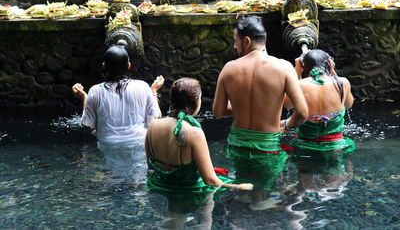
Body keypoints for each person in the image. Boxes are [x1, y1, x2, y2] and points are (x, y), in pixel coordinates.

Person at [212, 16, 308, 210]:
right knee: (264, 188)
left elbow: (218, 111)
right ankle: (258, 208)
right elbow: (302, 112)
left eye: (236, 40)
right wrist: (286, 125)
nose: (234, 45)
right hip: (267, 145)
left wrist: (241, 107)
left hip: (237, 144)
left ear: (246, 41)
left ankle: (246, 206)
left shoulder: (229, 69)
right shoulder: (283, 67)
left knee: (244, 184)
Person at [145, 78, 253, 229]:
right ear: (196, 101)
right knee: (209, 201)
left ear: (172, 100)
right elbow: (210, 180)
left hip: (160, 185)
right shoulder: (194, 132)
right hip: (189, 190)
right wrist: (238, 186)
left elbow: (150, 165)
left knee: (172, 221)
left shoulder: (153, 126)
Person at [72, 44, 164, 179]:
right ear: (128, 66)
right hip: (139, 144)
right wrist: (154, 91)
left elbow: (87, 127)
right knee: (138, 182)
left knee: (112, 182)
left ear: (104, 66)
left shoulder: (95, 91)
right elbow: (155, 121)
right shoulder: (143, 87)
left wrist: (84, 97)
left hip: (108, 146)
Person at [282, 49, 355, 153]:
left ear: (303, 66)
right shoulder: (342, 83)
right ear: (329, 63)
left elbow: (287, 105)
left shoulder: (299, 85)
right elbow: (348, 105)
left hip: (305, 146)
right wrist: (333, 72)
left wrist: (297, 71)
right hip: (336, 146)